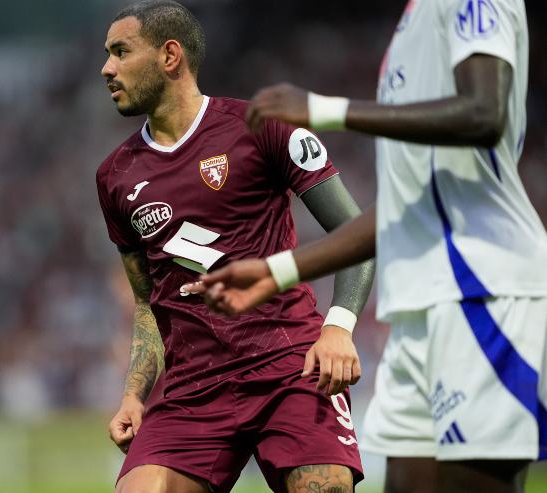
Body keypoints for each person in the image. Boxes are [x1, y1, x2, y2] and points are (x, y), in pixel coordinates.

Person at [188, 1, 547, 492]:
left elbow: (485, 113)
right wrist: (279, 271)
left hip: (480, 288)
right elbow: (405, 207)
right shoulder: (415, 20)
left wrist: (326, 111)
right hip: (421, 304)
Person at [96, 2, 376, 492]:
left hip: (289, 366)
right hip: (192, 387)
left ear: (170, 55)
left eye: (121, 52)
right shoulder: (115, 176)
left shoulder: (262, 127)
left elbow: (355, 234)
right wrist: (135, 393)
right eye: (107, 55)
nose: (107, 68)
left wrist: (339, 327)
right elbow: (147, 299)